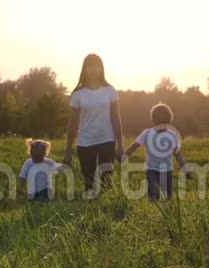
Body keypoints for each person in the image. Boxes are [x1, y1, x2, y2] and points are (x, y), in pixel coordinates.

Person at [62, 54, 123, 197]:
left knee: (106, 181)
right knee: (89, 182)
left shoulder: (110, 90)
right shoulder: (78, 94)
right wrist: (68, 150)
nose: (94, 69)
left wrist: (120, 145)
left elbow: (116, 118)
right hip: (85, 142)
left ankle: (107, 214)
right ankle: (90, 215)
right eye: (90, 66)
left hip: (107, 140)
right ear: (85, 69)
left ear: (102, 68)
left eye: (97, 66)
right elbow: (72, 123)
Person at [123, 103, 193, 201]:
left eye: (167, 123)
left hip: (167, 170)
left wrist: (185, 170)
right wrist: (125, 155)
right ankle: (153, 210)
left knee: (167, 196)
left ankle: (165, 213)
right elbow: (135, 146)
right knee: (153, 195)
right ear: (154, 120)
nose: (164, 126)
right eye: (162, 122)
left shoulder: (172, 135)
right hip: (151, 170)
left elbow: (178, 154)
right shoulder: (147, 133)